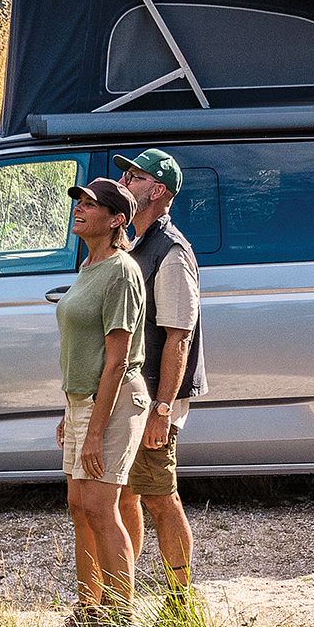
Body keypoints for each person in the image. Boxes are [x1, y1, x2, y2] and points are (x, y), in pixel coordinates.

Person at [53, 175, 149, 627]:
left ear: (116, 220)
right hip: (81, 402)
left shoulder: (122, 273)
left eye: (90, 204)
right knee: (78, 504)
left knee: (101, 505)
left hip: (112, 402)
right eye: (79, 202)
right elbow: (80, 348)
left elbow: (116, 361)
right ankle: (90, 609)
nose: (80, 208)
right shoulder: (89, 267)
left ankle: (120, 619)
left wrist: (93, 431)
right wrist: (68, 411)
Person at [115, 148, 205, 599]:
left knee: (158, 496)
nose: (125, 182)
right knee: (127, 496)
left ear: (159, 190)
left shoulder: (171, 252)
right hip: (136, 397)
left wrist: (163, 410)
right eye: (127, 175)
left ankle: (180, 605)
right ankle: (124, 598)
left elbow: (179, 338)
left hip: (157, 399)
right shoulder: (136, 244)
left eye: (134, 176)